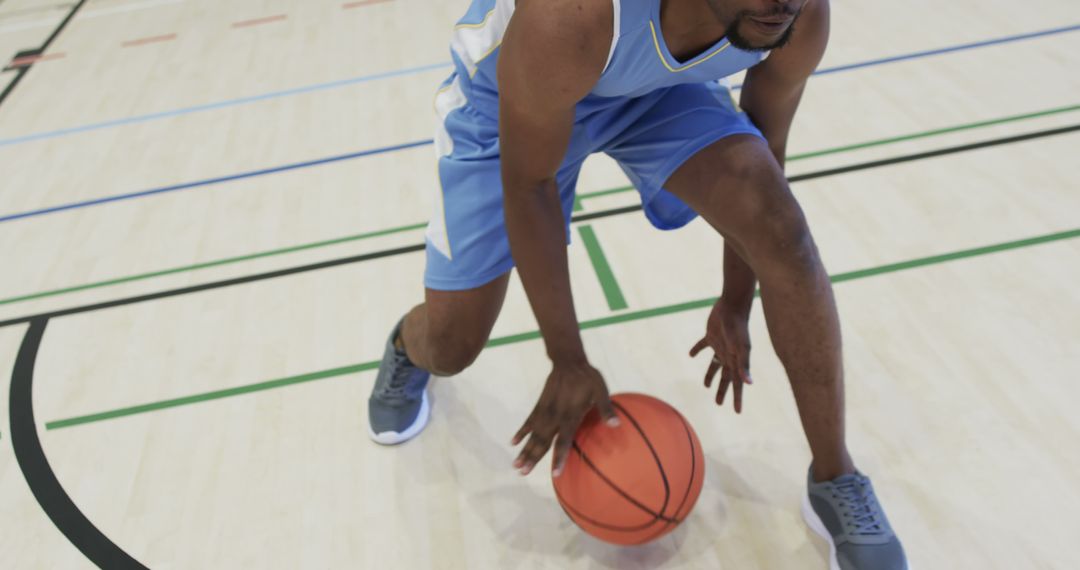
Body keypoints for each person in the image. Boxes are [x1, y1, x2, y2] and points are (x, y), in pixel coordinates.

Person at [368, 0, 907, 567]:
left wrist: (734, 300)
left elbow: (765, 150)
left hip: (658, 92)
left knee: (787, 237)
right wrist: (567, 358)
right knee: (453, 346)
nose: (782, 3)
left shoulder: (794, 15)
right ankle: (409, 344)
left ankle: (834, 477)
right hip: (511, 96)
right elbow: (530, 184)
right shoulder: (571, 15)